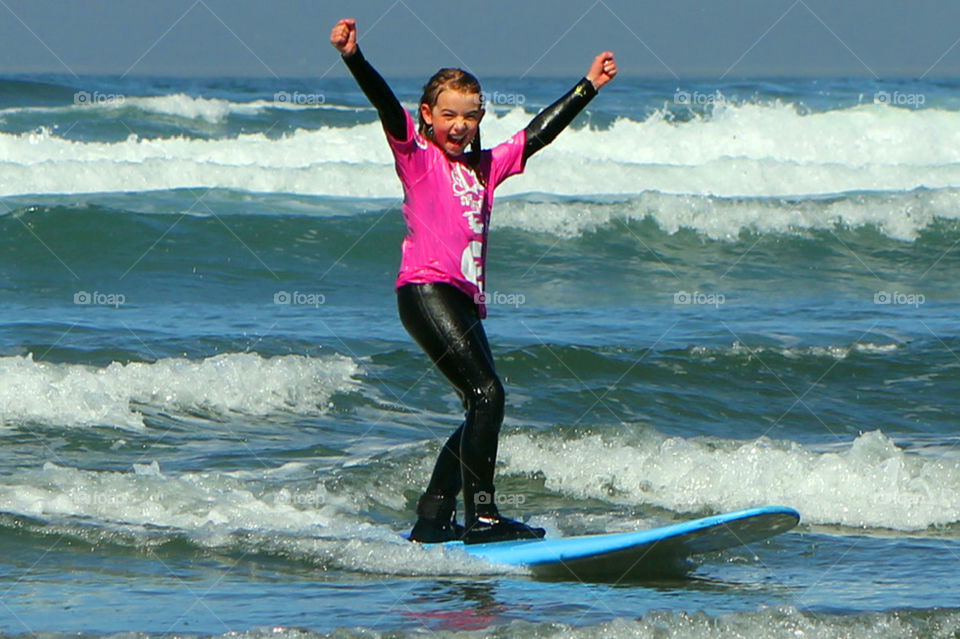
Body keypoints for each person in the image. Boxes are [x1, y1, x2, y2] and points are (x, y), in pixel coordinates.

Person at [330, 17, 617, 544]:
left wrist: (588, 86)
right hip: (424, 289)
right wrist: (354, 57)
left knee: (480, 404)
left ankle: (435, 515)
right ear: (428, 116)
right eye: (448, 116)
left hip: (463, 301)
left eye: (469, 115)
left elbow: (537, 134)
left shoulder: (487, 168)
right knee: (489, 395)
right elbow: (385, 105)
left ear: (480, 117)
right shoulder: (416, 156)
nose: (459, 126)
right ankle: (482, 517)